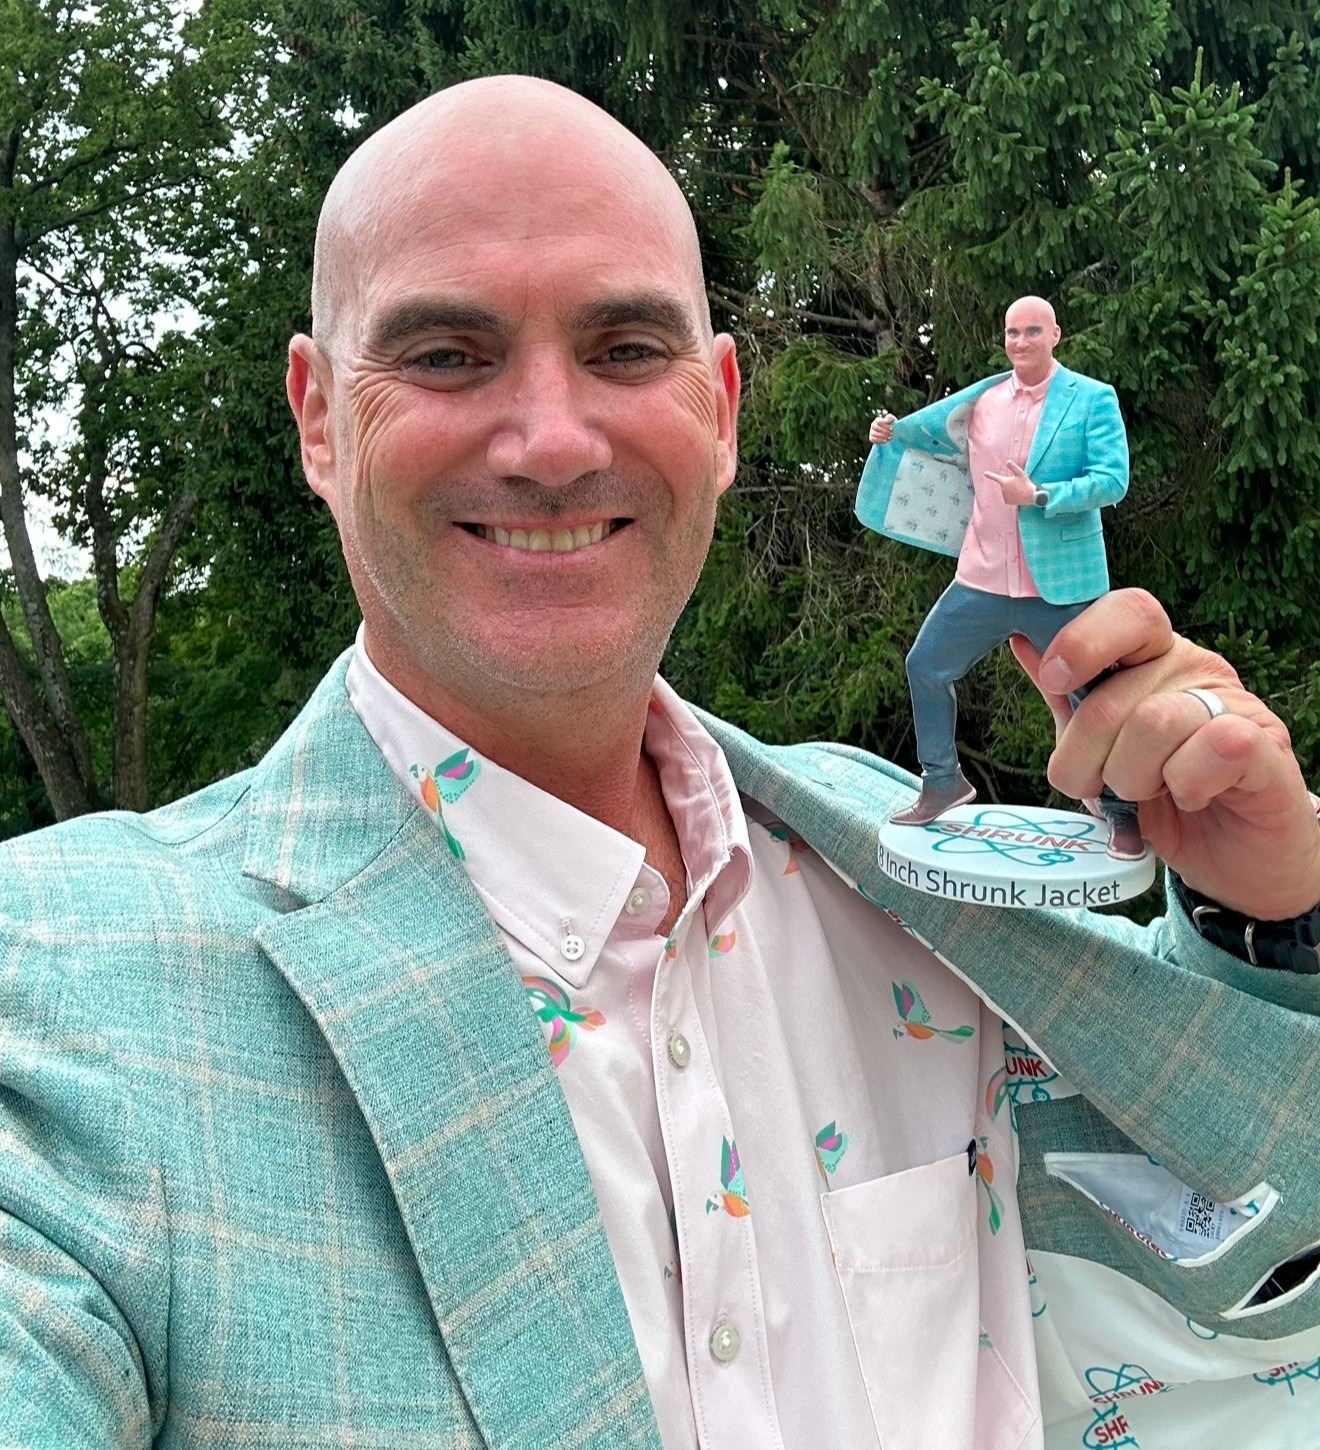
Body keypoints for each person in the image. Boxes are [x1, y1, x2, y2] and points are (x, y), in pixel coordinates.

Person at [1, 76, 1318, 1450]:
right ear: (320, 416)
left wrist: (1269, 923)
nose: (554, 442)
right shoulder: (62, 986)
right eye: (446, 355)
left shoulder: (898, 868)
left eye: (627, 348)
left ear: (723, 410)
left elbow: (1251, 1224)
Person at [860, 298, 1144, 858]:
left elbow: (1113, 480)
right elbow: (931, 444)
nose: (1020, 342)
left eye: (1032, 331)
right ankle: (942, 782)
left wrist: (1039, 495)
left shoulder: (1092, 398)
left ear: (1055, 334)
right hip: (982, 578)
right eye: (1012, 332)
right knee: (925, 665)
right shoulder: (983, 399)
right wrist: (888, 432)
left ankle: (1122, 809)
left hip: (1060, 585)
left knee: (1099, 697)